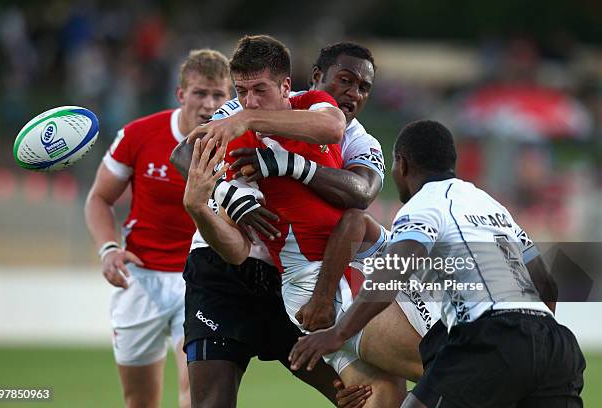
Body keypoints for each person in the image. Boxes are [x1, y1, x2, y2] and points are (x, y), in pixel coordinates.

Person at [289, 120, 584, 408]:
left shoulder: (423, 204)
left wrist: (338, 333)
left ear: (401, 164)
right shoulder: (491, 206)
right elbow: (546, 283)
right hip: (556, 345)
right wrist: (535, 342)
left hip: (492, 337)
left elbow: (396, 269)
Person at [183, 34, 405, 407]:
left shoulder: (355, 137)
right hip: (223, 272)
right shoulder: (251, 105)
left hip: (296, 282)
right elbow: (185, 153)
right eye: (344, 81)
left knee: (365, 395)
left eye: (363, 87)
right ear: (315, 76)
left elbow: (361, 195)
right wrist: (228, 194)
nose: (352, 93)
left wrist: (284, 164)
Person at [84, 49, 232, 408]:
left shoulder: (241, 146)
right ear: (181, 94)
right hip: (139, 278)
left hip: (202, 279)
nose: (209, 103)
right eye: (200, 93)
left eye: (218, 95)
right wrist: (107, 250)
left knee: (196, 394)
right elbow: (98, 199)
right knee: (140, 401)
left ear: (231, 97)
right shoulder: (139, 134)